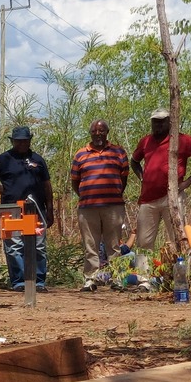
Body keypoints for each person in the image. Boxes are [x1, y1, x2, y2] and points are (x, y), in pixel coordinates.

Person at [130, 107, 191, 267]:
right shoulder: (145, 141)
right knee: (143, 241)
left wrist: (187, 182)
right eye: (155, 122)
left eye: (162, 122)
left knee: (177, 238)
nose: (158, 125)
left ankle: (179, 275)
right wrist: (142, 177)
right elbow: (134, 161)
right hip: (147, 198)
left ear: (170, 122)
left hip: (173, 197)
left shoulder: (183, 140)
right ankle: (144, 279)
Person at [0, 125, 54, 291]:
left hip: (37, 209)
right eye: (18, 141)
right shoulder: (4, 159)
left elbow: (47, 185)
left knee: (39, 246)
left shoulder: (38, 160)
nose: (22, 144)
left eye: (25, 141)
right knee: (14, 246)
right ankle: (19, 282)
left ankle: (38, 282)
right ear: (13, 141)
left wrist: (50, 208)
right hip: (11, 210)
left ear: (30, 140)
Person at [68, 119, 130, 288]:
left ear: (107, 132)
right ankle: (91, 279)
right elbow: (75, 181)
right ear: (90, 133)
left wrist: (113, 192)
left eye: (101, 131)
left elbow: (123, 177)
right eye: (94, 131)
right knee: (91, 245)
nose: (98, 134)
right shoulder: (80, 154)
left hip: (113, 206)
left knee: (114, 245)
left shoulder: (118, 152)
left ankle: (116, 279)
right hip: (88, 207)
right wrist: (87, 194)